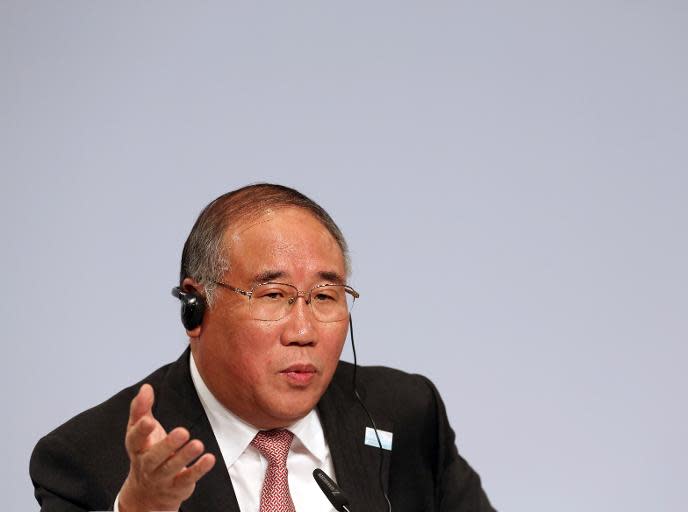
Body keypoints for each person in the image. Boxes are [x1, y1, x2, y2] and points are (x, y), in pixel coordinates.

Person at [30, 183, 495, 511]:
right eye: (273, 296)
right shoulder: (88, 458)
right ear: (197, 308)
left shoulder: (407, 414)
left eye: (325, 297)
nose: (304, 330)